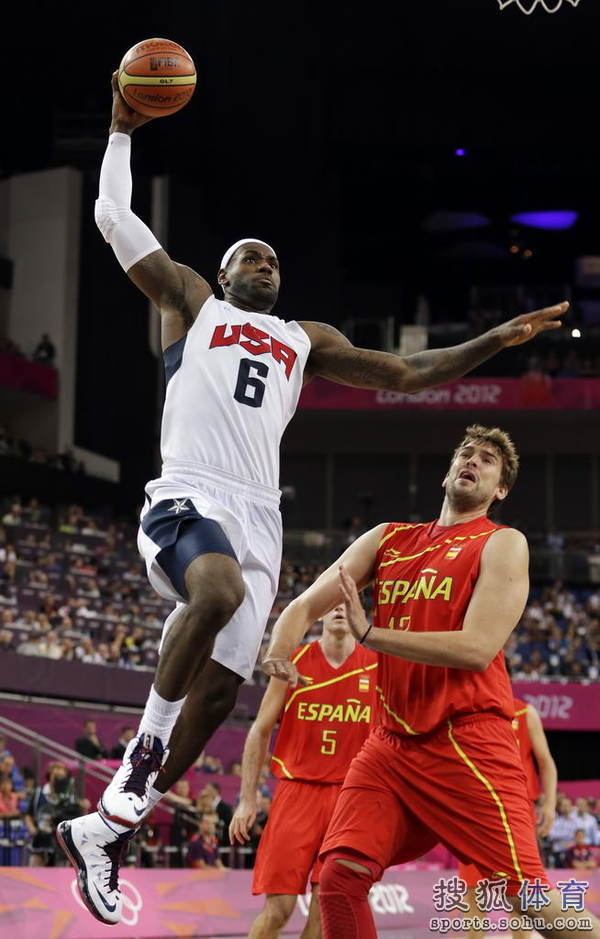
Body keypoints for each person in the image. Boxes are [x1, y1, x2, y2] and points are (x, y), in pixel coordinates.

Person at [56, 65, 567, 927]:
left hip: (262, 515)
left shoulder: (305, 338)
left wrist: (495, 340)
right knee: (212, 593)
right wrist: (121, 131)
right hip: (188, 493)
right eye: (251, 256)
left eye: (275, 259)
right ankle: (137, 765)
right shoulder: (191, 303)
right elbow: (114, 218)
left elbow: (410, 373)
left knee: (224, 694)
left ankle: (107, 828)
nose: (267, 264)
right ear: (223, 273)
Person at [262, 425, 600, 939]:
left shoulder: (502, 543)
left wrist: (372, 635)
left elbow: (476, 648)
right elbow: (307, 604)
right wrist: (279, 649)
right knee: (337, 880)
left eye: (488, 460)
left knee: (530, 900)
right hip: (390, 745)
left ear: (500, 489)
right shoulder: (389, 539)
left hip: (466, 740)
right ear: (448, 472)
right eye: (467, 453)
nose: (474, 460)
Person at [229, 605, 377, 939]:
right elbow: (259, 730)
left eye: (347, 604)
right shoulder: (293, 662)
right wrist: (246, 800)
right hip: (297, 793)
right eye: (332, 604)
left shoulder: (378, 665)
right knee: (279, 910)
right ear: (320, 614)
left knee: (326, 908)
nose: (339, 609)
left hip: (349, 800)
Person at [460, 697, 558, 939]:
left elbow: (546, 763)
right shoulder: (465, 706)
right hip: (476, 812)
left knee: (521, 897)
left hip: (517, 811)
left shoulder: (525, 712)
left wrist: (550, 804)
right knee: (474, 895)